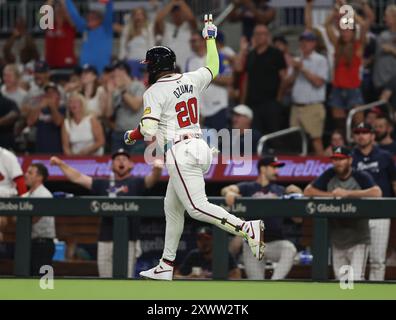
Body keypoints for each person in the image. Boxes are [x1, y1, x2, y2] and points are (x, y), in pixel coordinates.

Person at [124, 15, 265, 280]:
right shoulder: (190, 78)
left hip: (181, 151)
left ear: (155, 67)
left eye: (148, 66)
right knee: (172, 207)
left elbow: (148, 131)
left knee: (196, 207)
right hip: (200, 146)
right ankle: (166, 265)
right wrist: (210, 38)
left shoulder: (153, 92)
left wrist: (132, 134)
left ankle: (247, 227)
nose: (146, 71)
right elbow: (213, 66)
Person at [50, 149, 163, 278]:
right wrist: (60, 164)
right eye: (117, 159)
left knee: (125, 279)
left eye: (124, 159)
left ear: (131, 164)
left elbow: (152, 179)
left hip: (129, 239)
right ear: (111, 165)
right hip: (106, 238)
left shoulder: (136, 183)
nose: (121, 161)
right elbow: (78, 178)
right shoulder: (102, 184)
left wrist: (157, 168)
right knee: (105, 278)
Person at [304, 146, 382, 281]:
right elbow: (308, 191)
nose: (338, 163)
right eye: (335, 159)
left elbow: (377, 192)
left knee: (356, 280)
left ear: (350, 160)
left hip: (358, 238)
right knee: (342, 282)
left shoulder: (359, 176)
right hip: (337, 239)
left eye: (341, 159)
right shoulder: (329, 175)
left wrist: (347, 194)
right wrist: (331, 195)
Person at [221, 156, 298, 280]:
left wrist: (296, 193)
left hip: (275, 243)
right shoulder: (247, 187)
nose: (277, 171)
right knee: (256, 284)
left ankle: (274, 283)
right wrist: (228, 192)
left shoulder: (280, 190)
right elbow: (227, 189)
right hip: (253, 244)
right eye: (274, 167)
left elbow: (297, 218)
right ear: (263, 169)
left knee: (289, 249)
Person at [351, 122, 396, 280]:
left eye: (365, 132)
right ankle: (355, 294)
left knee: (377, 260)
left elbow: (394, 182)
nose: (361, 135)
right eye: (358, 132)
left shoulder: (384, 156)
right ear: (354, 136)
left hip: (381, 211)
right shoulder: (349, 157)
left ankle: (375, 294)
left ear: (372, 135)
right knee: (356, 259)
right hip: (357, 212)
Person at [325, 6, 369, 133]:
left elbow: (364, 26)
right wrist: (335, 12)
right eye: (343, 31)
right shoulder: (337, 45)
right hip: (337, 89)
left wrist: (349, 11)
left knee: (359, 124)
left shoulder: (358, 46)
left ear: (353, 32)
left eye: (348, 30)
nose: (345, 33)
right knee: (340, 127)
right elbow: (327, 25)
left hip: (353, 89)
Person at [286, 31, 328, 155]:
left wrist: (303, 69)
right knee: (296, 140)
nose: (304, 44)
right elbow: (287, 83)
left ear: (314, 43)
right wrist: (295, 71)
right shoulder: (296, 60)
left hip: (313, 106)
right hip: (296, 106)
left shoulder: (320, 60)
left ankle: (322, 168)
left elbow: (319, 82)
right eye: (302, 41)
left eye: (308, 41)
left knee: (316, 139)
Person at [241, 24, 287, 135]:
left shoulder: (276, 54)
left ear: (268, 36)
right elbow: (246, 79)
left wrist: (279, 98)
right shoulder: (251, 55)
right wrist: (242, 101)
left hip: (271, 103)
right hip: (252, 103)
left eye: (263, 34)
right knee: (254, 134)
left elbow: (284, 78)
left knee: (272, 135)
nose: (260, 36)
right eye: (257, 34)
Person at [185, 31, 233, 131]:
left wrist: (208, 75)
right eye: (191, 41)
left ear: (203, 41)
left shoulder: (217, 56)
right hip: (201, 111)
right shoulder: (190, 61)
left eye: (195, 41)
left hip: (219, 107)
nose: (192, 44)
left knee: (221, 143)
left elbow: (229, 80)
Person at [22, 163, 56, 276]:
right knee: (26, 280)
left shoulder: (45, 195)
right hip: (27, 243)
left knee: (44, 282)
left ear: (39, 177)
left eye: (30, 173)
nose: (25, 175)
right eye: (26, 172)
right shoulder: (24, 196)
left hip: (43, 245)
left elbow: (33, 219)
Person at [107, 61, 146, 154]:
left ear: (123, 72)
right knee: (116, 164)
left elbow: (135, 106)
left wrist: (122, 90)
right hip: (118, 134)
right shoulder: (116, 91)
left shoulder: (138, 86)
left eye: (114, 74)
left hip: (135, 134)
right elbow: (108, 114)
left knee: (136, 165)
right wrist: (109, 93)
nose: (113, 77)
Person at [65, 0, 113, 74]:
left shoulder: (106, 28)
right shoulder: (84, 29)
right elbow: (74, 14)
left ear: (100, 19)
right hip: (85, 71)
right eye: (88, 18)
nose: (89, 19)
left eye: (93, 17)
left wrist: (107, 1)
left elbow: (109, 9)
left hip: (102, 71)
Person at [175, 226, 241, 280]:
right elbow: (176, 275)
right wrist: (189, 278)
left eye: (207, 239)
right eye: (200, 239)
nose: (204, 243)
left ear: (213, 240)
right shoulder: (194, 255)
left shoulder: (223, 254)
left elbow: (237, 276)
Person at [154, 0, 197, 73]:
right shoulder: (166, 27)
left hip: (186, 66)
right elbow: (158, 19)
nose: (177, 14)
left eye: (179, 11)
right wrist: (172, 2)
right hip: (168, 66)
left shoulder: (188, 27)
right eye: (174, 12)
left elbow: (191, 18)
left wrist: (181, 2)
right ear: (171, 14)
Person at [27, 83, 66, 154]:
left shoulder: (63, 109)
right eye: (47, 93)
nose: (49, 95)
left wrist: (51, 105)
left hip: (57, 150)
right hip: (40, 150)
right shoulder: (39, 110)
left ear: (59, 96)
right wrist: (39, 106)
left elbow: (58, 122)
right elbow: (30, 122)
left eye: (53, 92)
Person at [119, 6, 155, 79]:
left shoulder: (149, 29)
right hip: (131, 62)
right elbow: (123, 47)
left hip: (144, 62)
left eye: (140, 14)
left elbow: (152, 45)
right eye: (136, 14)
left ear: (144, 16)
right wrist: (121, 61)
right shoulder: (127, 29)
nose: (138, 17)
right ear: (133, 17)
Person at [45, 0, 77, 69]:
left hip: (67, 65)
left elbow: (68, 15)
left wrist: (63, 4)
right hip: (51, 65)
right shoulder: (50, 25)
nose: (59, 11)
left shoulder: (69, 27)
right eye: (57, 9)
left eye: (61, 9)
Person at [373, 4, 396, 94]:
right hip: (379, 81)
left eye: (387, 16)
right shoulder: (382, 35)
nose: (384, 19)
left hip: (392, 83)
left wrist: (392, 50)